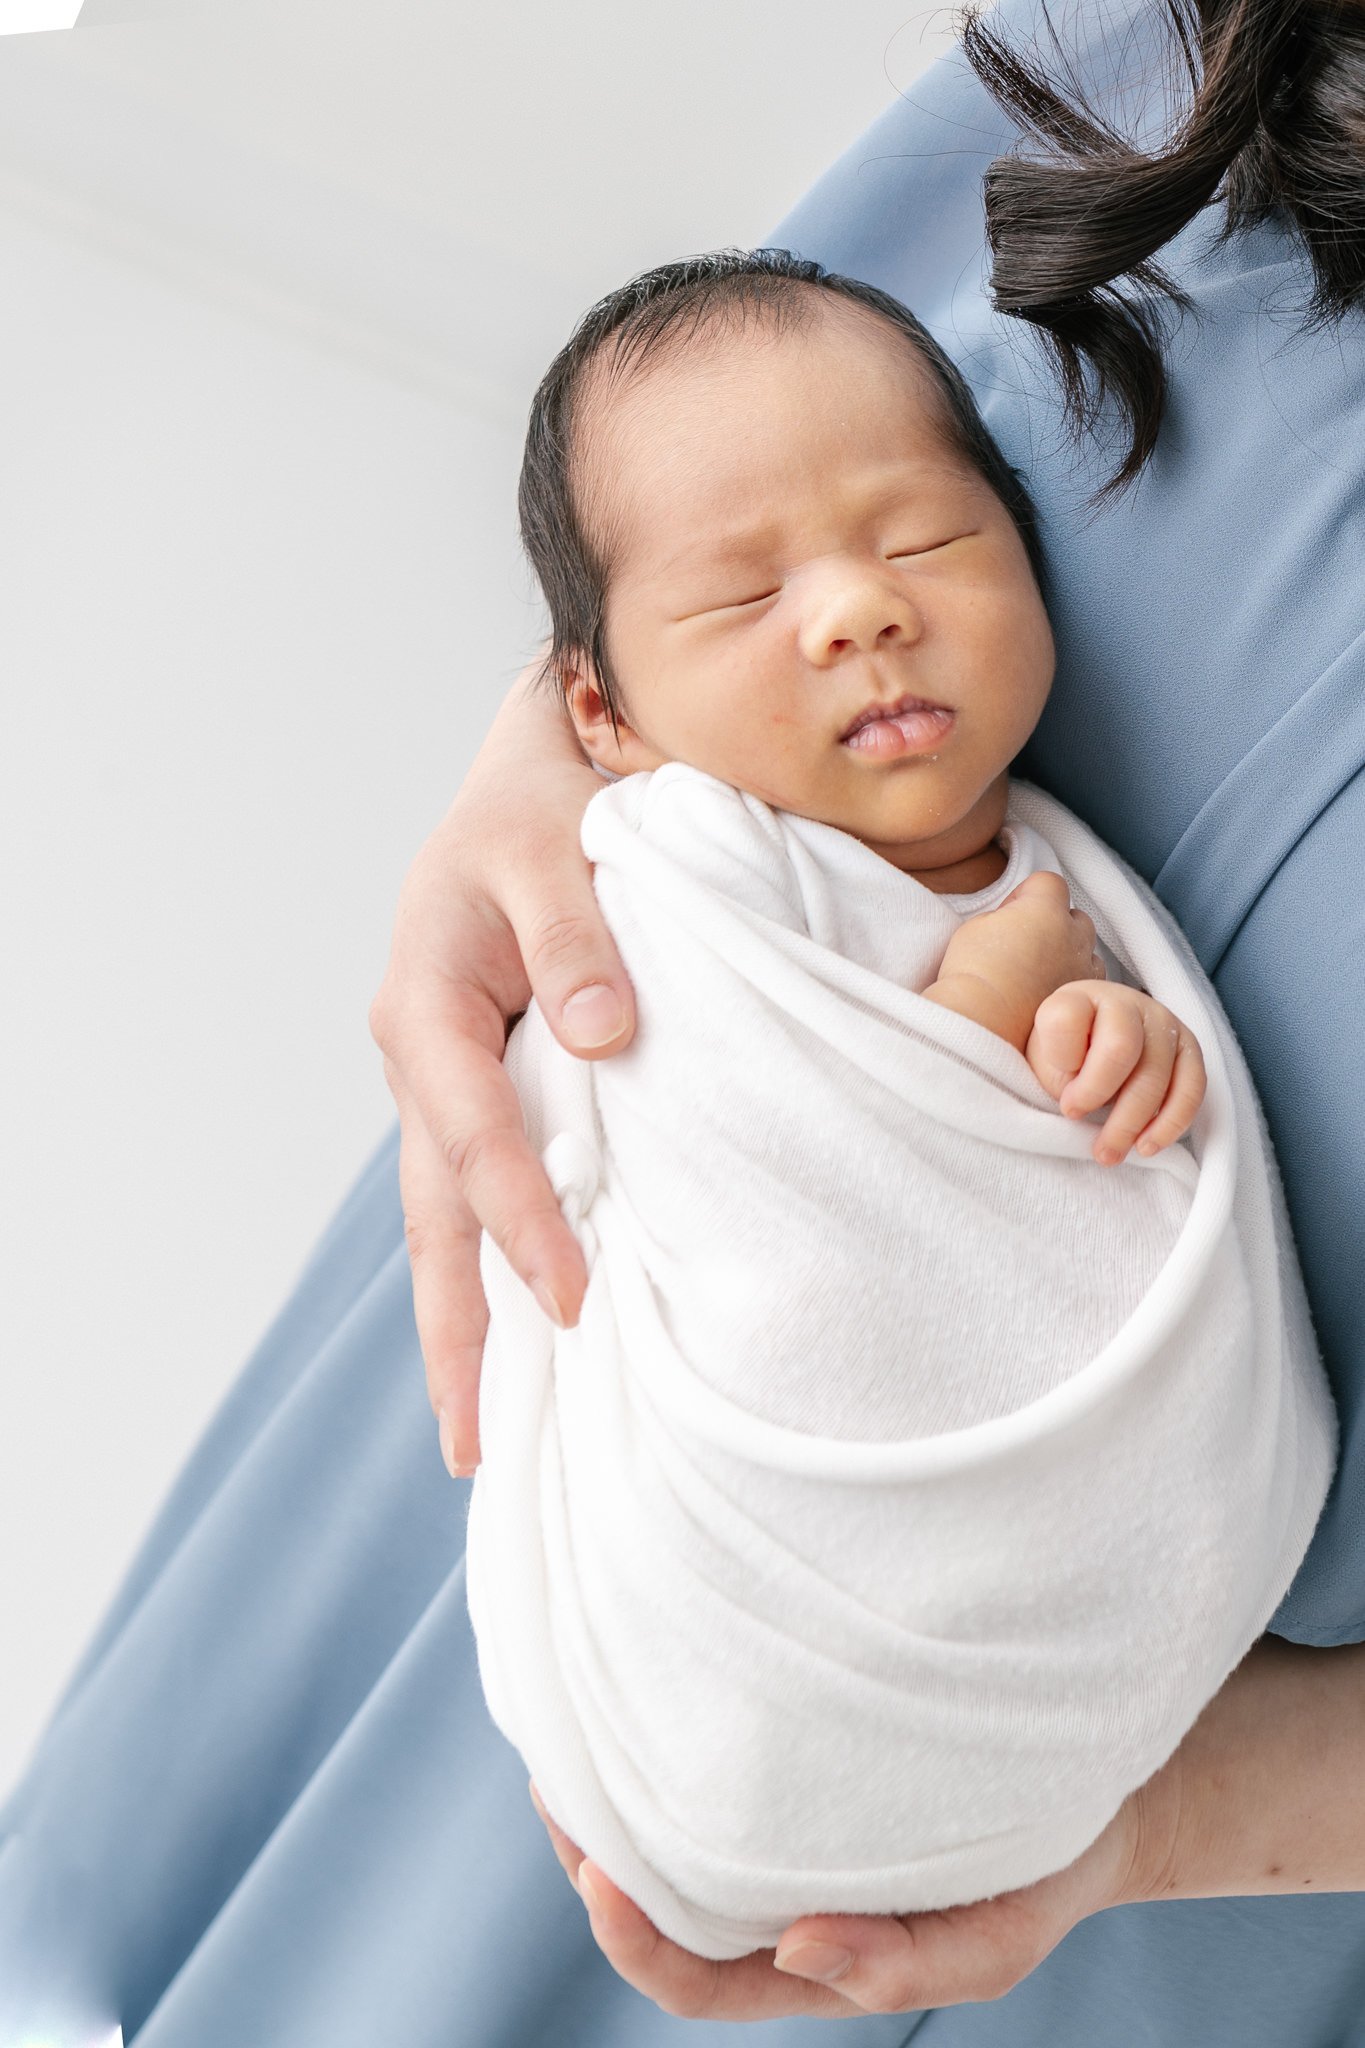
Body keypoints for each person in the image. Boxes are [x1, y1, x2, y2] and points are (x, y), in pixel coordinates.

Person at [2, 0, 1363, 2040]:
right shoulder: (1224, 38)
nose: (863, 606)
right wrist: (541, 801)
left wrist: (1144, 1825)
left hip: (1091, 1840)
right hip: (589, 1355)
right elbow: (702, 459)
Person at [464, 242, 1332, 1964]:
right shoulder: (683, 871)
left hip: (1090, 1707)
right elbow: (762, 1161)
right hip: (729, 1630)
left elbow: (1066, 1186)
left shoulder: (1056, 876)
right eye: (737, 599)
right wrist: (990, 1022)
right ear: (598, 718)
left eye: (925, 538)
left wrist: (1101, 1051)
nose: (856, 610)